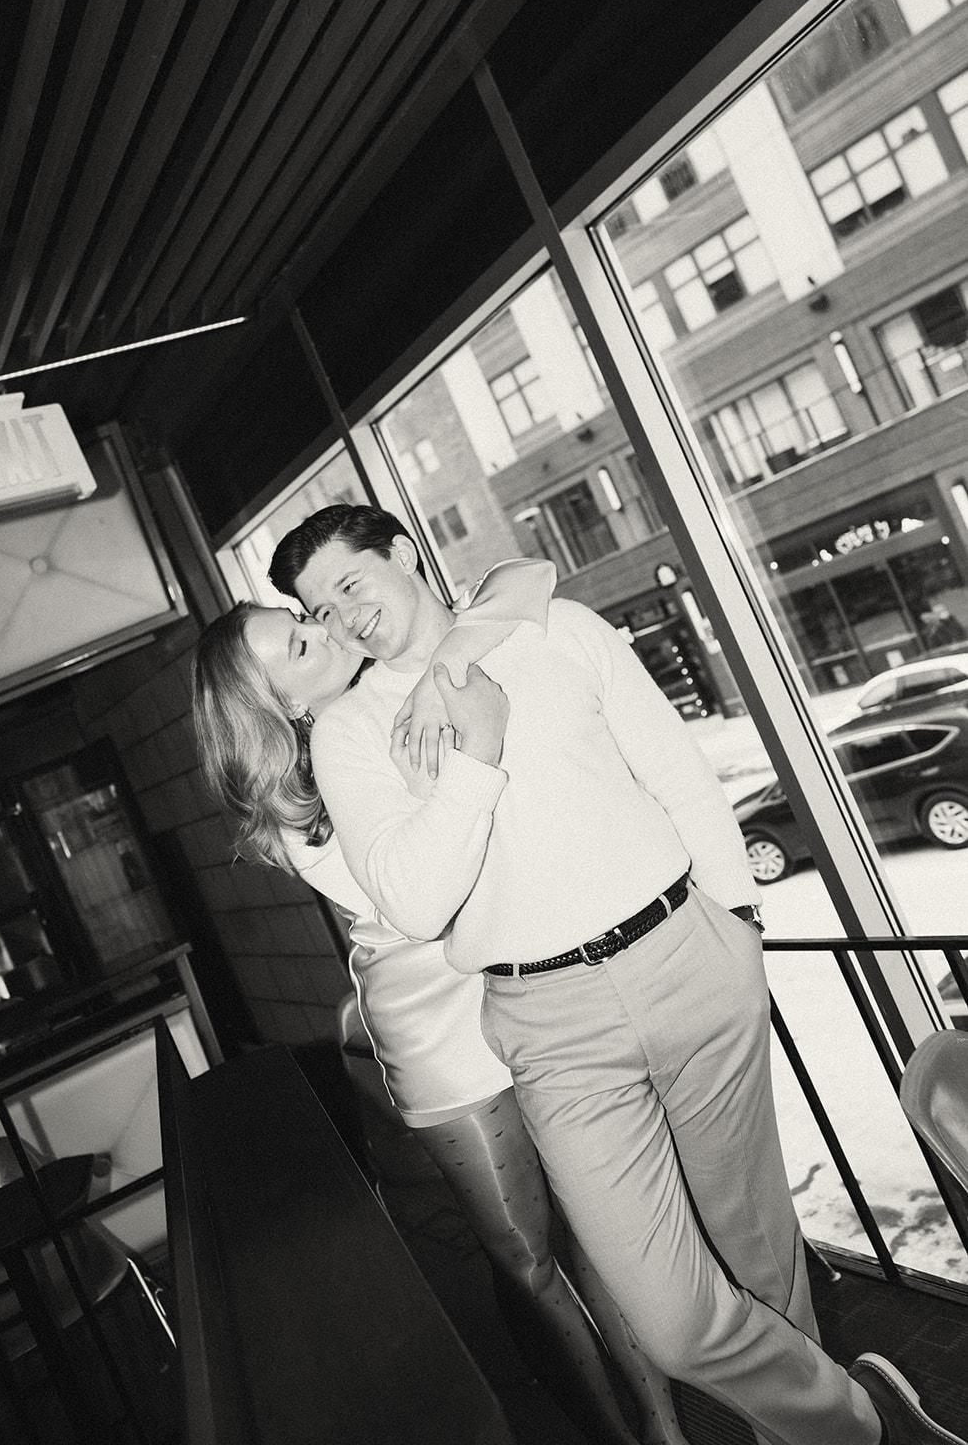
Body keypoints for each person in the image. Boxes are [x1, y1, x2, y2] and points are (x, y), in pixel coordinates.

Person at [270, 501, 967, 1445]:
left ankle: (823, 1435)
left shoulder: (555, 629)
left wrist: (737, 927)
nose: (344, 616)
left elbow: (678, 776)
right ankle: (868, 1421)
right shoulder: (350, 732)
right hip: (547, 1021)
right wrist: (474, 758)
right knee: (670, 1321)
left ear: (403, 554)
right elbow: (413, 903)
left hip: (687, 958)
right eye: (320, 609)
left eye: (350, 583)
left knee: (761, 1255)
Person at [191, 559, 690, 1445]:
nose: (322, 628)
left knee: (599, 1230)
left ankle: (665, 1427)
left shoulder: (396, 690)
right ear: (280, 708)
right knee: (528, 1259)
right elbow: (422, 899)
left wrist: (444, 658)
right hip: (441, 1027)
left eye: (304, 617)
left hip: (531, 984)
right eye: (299, 644)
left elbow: (516, 580)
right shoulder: (304, 805)